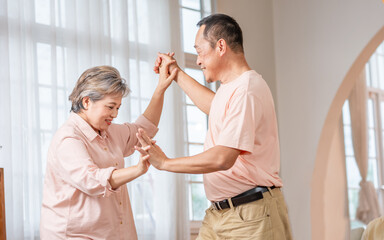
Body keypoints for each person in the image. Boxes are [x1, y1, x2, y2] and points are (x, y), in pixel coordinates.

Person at [137, 13, 293, 239]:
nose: (198, 60)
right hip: (220, 214)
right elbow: (214, 106)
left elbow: (223, 157)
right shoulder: (232, 88)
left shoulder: (247, 89)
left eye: (199, 51)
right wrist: (177, 73)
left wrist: (165, 163)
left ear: (221, 46)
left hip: (250, 214)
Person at [40, 62, 177, 239]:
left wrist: (160, 89)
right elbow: (92, 180)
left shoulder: (109, 132)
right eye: (110, 107)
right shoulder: (68, 138)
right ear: (87, 101)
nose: (115, 114)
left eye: (118, 108)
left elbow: (143, 128)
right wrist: (137, 169)